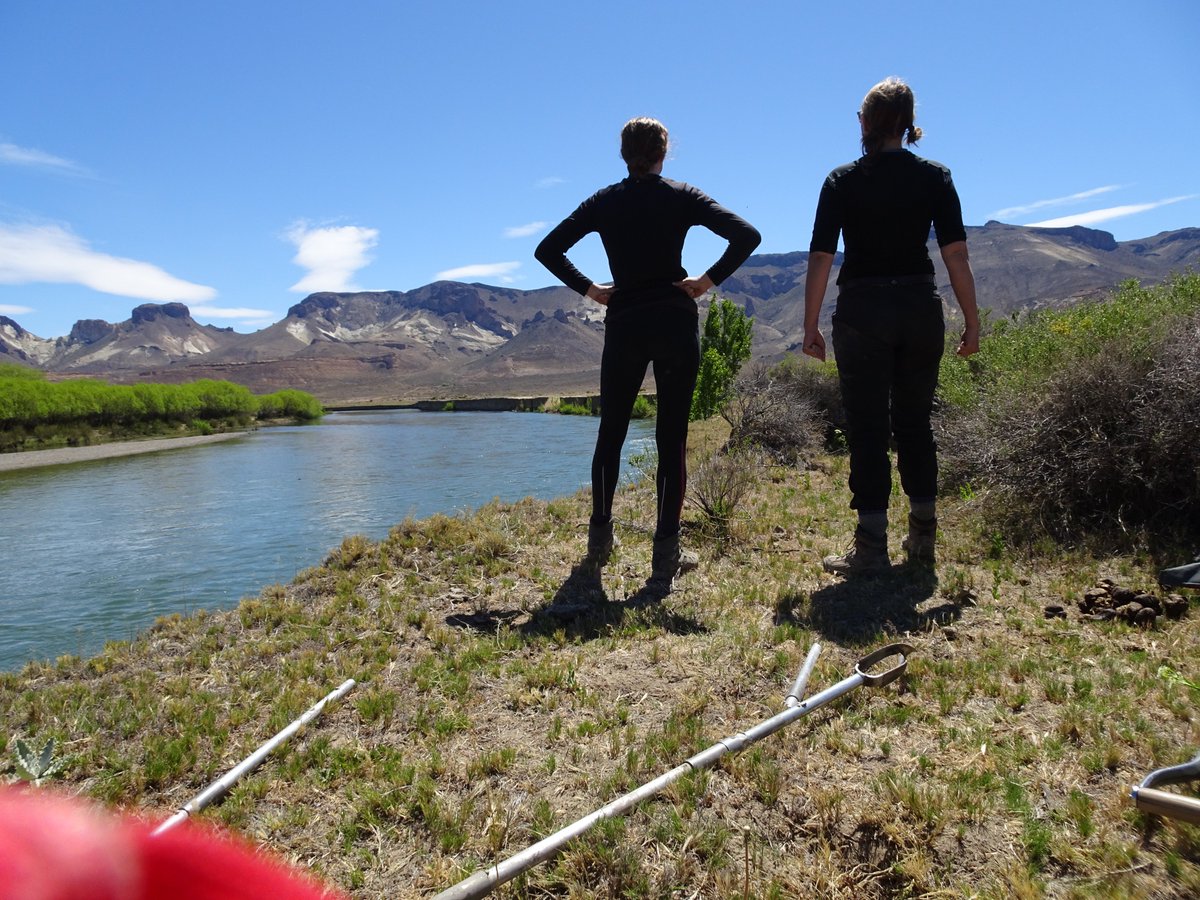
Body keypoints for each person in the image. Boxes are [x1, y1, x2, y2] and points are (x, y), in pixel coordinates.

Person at [535, 117, 760, 589]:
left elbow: (548, 250)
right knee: (670, 436)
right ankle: (665, 553)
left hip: (625, 323)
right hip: (675, 321)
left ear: (623, 154)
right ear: (664, 152)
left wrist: (590, 289)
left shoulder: (605, 201)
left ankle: (600, 541)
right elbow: (747, 235)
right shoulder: (682, 195)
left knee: (611, 430)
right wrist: (706, 281)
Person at [802, 78, 980, 575]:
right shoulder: (935, 176)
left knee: (868, 427)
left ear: (866, 122)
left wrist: (810, 324)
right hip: (920, 309)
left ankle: (871, 547)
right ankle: (922, 539)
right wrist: (972, 319)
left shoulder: (842, 180)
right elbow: (955, 254)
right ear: (906, 124)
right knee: (916, 422)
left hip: (862, 312)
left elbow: (821, 256)